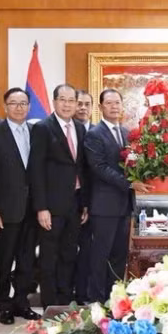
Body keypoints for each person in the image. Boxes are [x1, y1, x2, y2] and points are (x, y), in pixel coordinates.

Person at [84, 89, 152, 303]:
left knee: (119, 256)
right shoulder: (94, 134)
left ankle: (113, 298)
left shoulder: (126, 132)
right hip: (104, 206)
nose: (114, 107)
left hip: (124, 205)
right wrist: (130, 183)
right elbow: (99, 168)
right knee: (99, 255)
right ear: (101, 107)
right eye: (109, 103)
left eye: (117, 103)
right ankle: (96, 299)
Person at [0, 87, 40, 324]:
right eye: (14, 103)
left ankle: (21, 302)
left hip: (31, 209)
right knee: (1, 260)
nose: (19, 107)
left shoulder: (36, 131)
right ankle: (3, 304)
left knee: (27, 260)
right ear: (5, 107)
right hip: (4, 211)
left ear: (29, 106)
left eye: (23, 103)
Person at [30, 84, 89, 307]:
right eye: (62, 100)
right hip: (51, 206)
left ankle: (65, 302)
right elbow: (35, 170)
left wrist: (84, 203)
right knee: (49, 258)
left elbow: (81, 169)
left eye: (71, 100)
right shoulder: (43, 128)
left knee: (69, 255)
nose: (67, 104)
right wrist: (41, 207)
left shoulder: (80, 128)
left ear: (76, 103)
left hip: (74, 204)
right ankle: (50, 304)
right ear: (54, 102)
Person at [73, 88, 94, 304]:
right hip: (68, 200)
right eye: (79, 103)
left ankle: (83, 291)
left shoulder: (96, 131)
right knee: (68, 248)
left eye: (87, 104)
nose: (82, 108)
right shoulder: (66, 131)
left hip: (93, 201)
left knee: (88, 249)